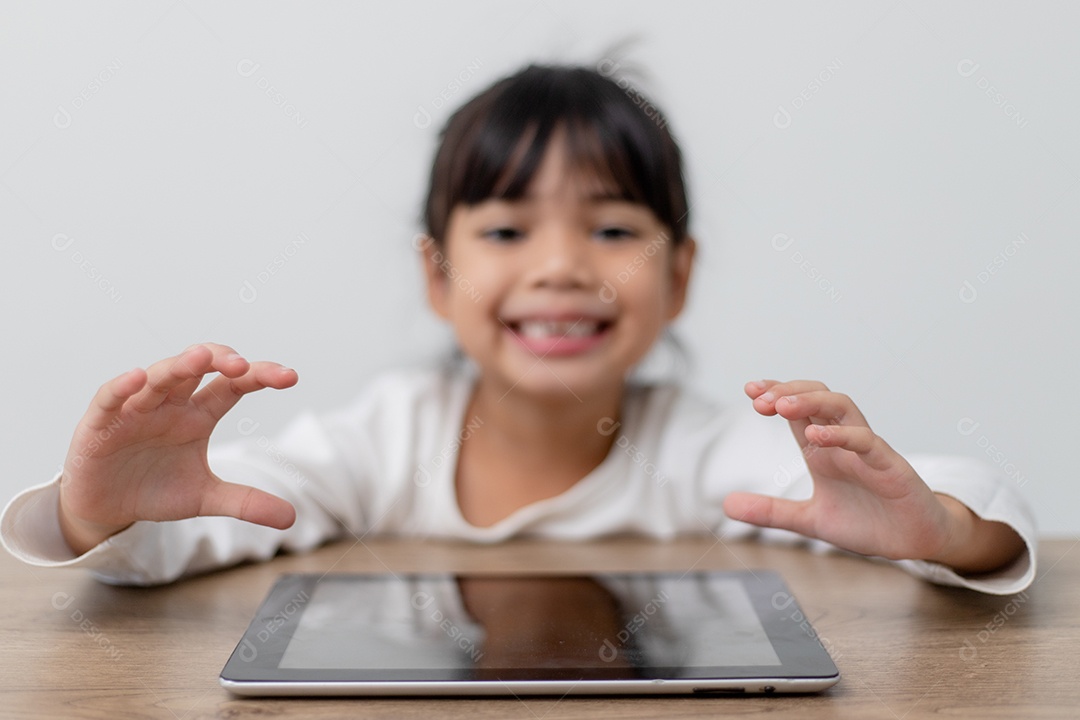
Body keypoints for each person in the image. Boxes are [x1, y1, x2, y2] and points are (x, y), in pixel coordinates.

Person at [1, 64, 1033, 592]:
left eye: (614, 227)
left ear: (678, 276)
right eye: (505, 227)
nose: (559, 267)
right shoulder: (386, 439)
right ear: (437, 275)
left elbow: (975, 505)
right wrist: (103, 516)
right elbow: (198, 526)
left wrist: (943, 535)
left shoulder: (710, 452)